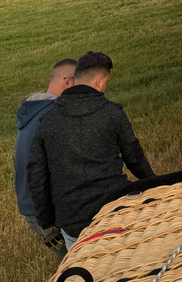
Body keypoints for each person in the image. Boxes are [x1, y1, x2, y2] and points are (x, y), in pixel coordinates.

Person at [28, 52, 155, 249]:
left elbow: (37, 176)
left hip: (72, 222)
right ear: (98, 80)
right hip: (114, 211)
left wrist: (47, 223)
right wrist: (156, 185)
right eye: (106, 82)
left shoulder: (47, 122)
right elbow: (135, 159)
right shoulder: (112, 113)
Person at [14, 58, 76, 261]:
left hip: (30, 207)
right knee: (80, 264)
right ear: (68, 81)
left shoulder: (33, 111)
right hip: (47, 208)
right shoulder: (54, 114)